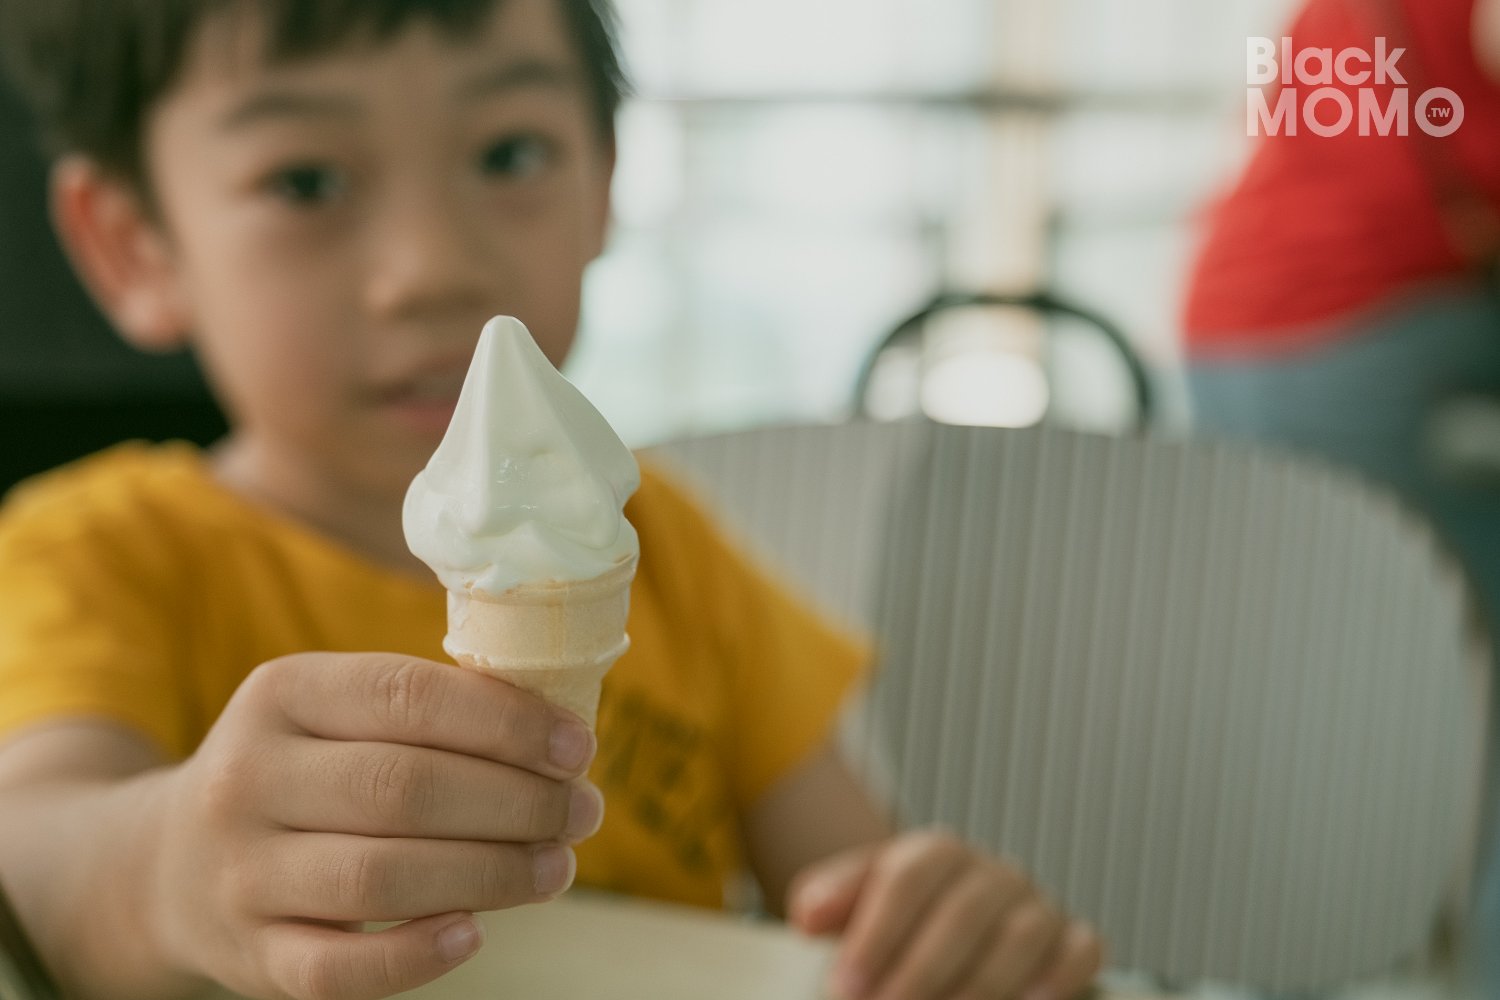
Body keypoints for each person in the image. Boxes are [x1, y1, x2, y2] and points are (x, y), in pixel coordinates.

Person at [0, 2, 1103, 999]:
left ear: (606, 184)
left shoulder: (669, 550)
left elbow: (848, 893)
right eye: (306, 182)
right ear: (133, 243)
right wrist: (163, 870)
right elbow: (37, 850)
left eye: (511, 153)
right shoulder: (95, 556)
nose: (434, 267)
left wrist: (939, 926)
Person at [1182, 0, 1500, 985]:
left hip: (1229, 327)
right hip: (1367, 333)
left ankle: (1272, 961)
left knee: (1324, 666)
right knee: (1450, 673)